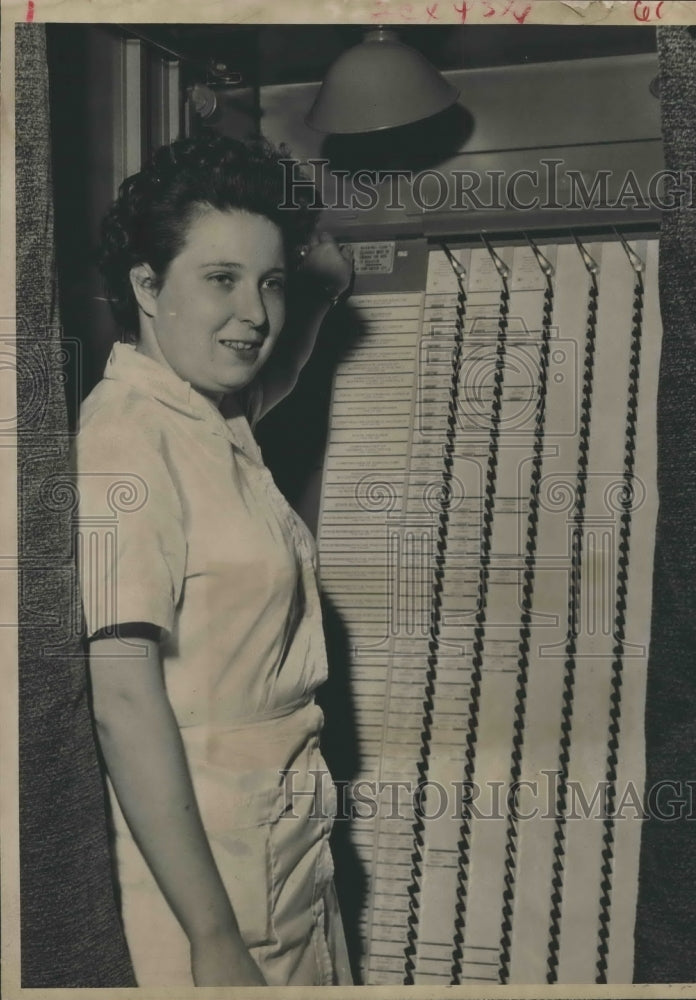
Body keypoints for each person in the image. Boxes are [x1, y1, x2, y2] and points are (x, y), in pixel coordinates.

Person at [73, 134, 354, 987]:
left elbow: (311, 308)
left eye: (269, 281)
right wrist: (212, 937)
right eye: (221, 279)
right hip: (206, 874)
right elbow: (122, 697)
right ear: (146, 287)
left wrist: (305, 240)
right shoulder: (125, 440)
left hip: (281, 838)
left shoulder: (215, 418)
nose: (257, 313)